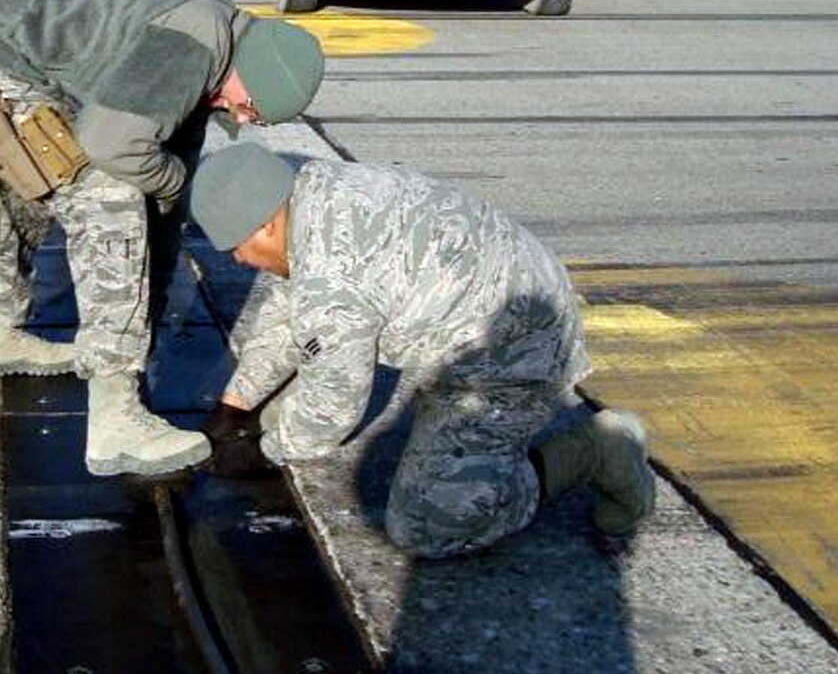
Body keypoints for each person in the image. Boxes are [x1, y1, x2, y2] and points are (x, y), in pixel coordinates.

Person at [0, 0, 325, 476]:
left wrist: (150, 293)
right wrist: (167, 192)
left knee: (34, 176)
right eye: (253, 109)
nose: (244, 119)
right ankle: (115, 418)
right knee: (108, 189)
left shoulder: (219, 43)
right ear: (255, 74)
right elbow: (116, 148)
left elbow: (172, 187)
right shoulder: (198, 42)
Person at [186, 143, 655, 558]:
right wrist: (237, 404)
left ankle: (597, 451)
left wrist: (265, 453)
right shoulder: (310, 192)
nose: (238, 261)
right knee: (283, 403)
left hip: (516, 356)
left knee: (426, 523)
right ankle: (470, 443)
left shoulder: (334, 279)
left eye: (236, 249)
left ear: (266, 224)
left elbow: (331, 414)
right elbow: (284, 312)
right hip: (493, 308)